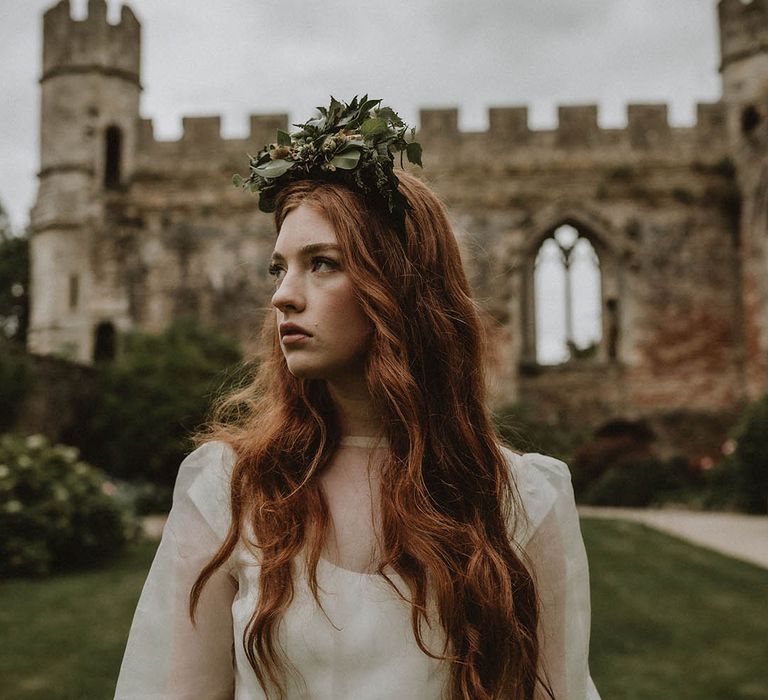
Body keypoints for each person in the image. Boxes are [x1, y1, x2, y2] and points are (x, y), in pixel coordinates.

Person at [115, 96, 601, 700]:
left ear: (398, 285)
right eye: (279, 269)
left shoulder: (521, 501)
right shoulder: (230, 490)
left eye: (321, 264)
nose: (284, 297)